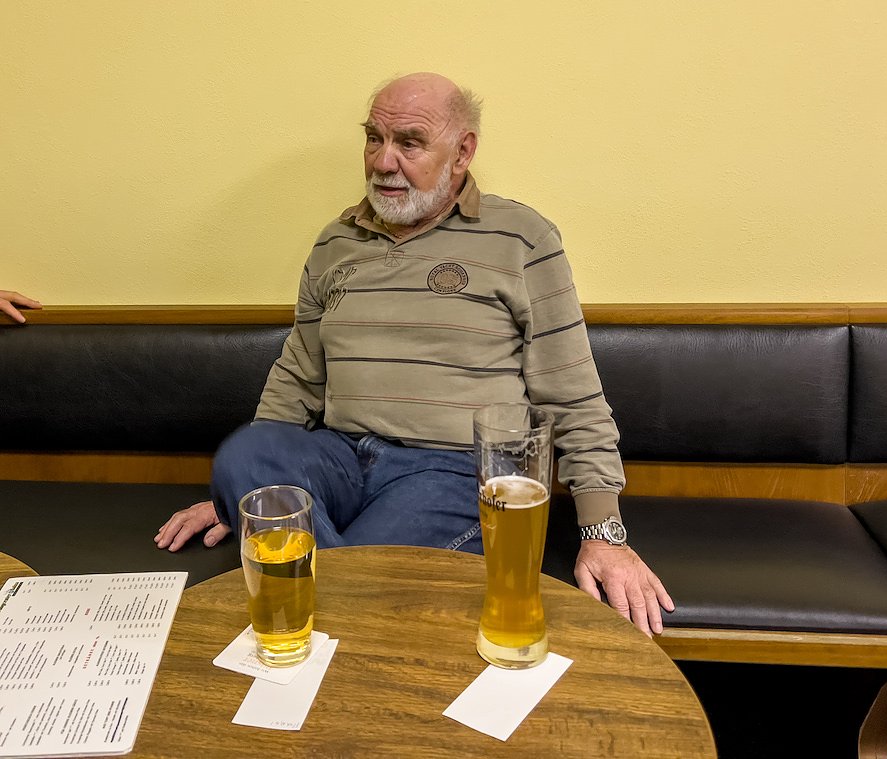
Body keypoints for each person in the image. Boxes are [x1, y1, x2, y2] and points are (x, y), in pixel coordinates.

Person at [155, 72, 674, 635]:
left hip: (451, 470)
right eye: (373, 138)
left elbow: (572, 394)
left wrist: (603, 534)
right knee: (246, 453)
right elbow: (298, 376)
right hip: (340, 459)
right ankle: (350, 603)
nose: (383, 161)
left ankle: (325, 607)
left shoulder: (522, 238)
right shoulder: (334, 242)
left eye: (409, 142)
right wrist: (242, 501)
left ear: (463, 152)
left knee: (359, 567)